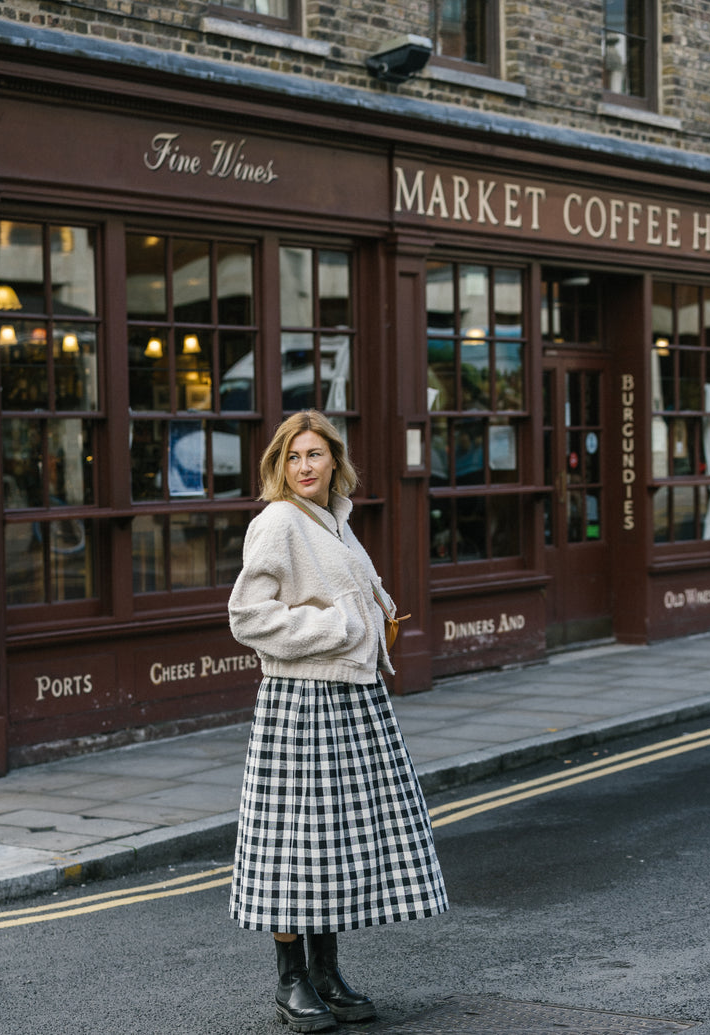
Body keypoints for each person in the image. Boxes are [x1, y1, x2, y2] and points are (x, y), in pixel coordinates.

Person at [228, 410, 448, 1033]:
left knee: (334, 845)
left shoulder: (339, 520)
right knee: (293, 844)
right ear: (279, 465)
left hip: (352, 699)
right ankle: (291, 979)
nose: (304, 467)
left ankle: (326, 971)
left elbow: (348, 591)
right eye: (293, 457)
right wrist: (341, 626)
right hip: (300, 703)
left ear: (334, 462)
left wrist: (376, 613)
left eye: (314, 456)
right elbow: (248, 617)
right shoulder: (275, 523)